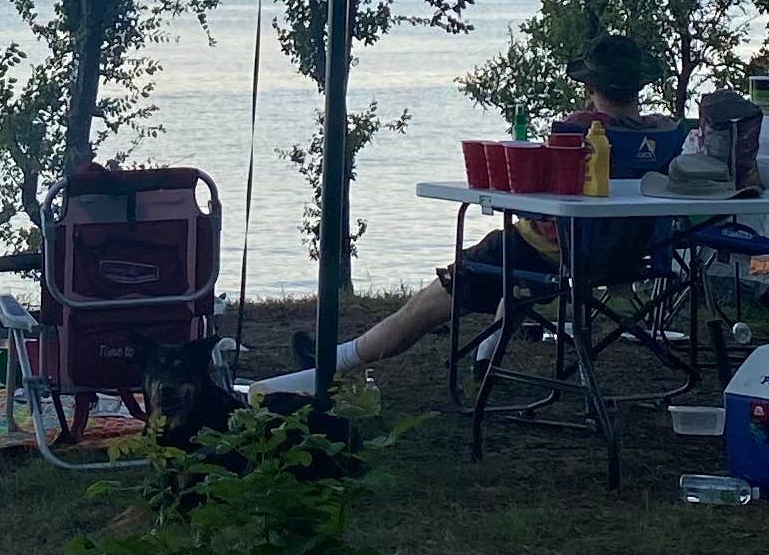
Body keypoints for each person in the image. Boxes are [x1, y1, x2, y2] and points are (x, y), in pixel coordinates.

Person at [229, 34, 658, 385]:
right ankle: (486, 359)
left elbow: (541, 197)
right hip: (626, 260)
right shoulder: (663, 137)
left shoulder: (576, 132)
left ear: (589, 88)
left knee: (447, 289)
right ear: (637, 88)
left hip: (550, 254)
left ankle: (334, 362)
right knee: (515, 269)